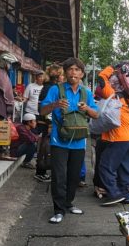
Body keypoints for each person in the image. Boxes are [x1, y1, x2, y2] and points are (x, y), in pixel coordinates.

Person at [39, 57, 99, 224]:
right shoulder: (55, 89)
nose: (74, 73)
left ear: (82, 74)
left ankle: (68, 203)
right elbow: (42, 110)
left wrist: (86, 108)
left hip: (79, 142)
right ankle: (58, 210)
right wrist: (56, 105)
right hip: (59, 140)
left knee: (74, 176)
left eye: (77, 70)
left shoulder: (86, 92)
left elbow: (96, 114)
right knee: (59, 176)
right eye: (70, 69)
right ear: (65, 72)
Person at [97, 65, 129, 206]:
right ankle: (126, 196)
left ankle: (114, 193)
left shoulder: (113, 95)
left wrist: (112, 67)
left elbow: (101, 77)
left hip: (118, 139)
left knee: (105, 166)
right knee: (125, 169)